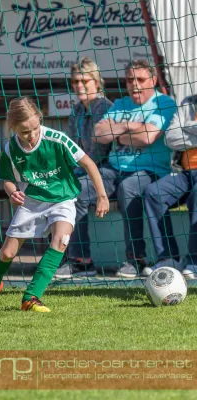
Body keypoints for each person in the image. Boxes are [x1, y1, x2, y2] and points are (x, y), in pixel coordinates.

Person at [0, 97, 109, 312]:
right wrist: (13, 192)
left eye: (35, 128)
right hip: (32, 201)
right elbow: (7, 179)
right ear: (12, 127)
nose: (32, 135)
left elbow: (88, 163)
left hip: (62, 198)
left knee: (61, 240)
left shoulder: (57, 139)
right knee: (7, 253)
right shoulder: (11, 149)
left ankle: (31, 298)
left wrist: (101, 195)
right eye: (25, 132)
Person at [93, 59, 177, 278]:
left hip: (150, 171)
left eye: (140, 79)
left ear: (153, 80)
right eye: (130, 79)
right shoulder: (121, 103)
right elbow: (99, 134)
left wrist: (118, 132)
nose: (135, 85)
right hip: (113, 169)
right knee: (79, 187)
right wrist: (131, 127)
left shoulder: (164, 103)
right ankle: (77, 259)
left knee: (129, 187)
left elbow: (148, 137)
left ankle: (135, 259)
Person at [55, 57, 114, 279]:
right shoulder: (77, 110)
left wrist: (76, 169)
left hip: (107, 171)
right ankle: (58, 255)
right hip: (84, 169)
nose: (79, 86)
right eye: (75, 81)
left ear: (96, 82)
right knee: (51, 188)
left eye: (84, 81)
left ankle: (83, 261)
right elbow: (72, 149)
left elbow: (98, 153)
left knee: (76, 191)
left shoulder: (104, 107)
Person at [142, 94, 197, 278]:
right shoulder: (188, 102)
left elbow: (179, 134)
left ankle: (194, 260)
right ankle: (168, 259)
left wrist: (187, 129)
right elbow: (170, 138)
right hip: (184, 173)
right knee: (153, 192)